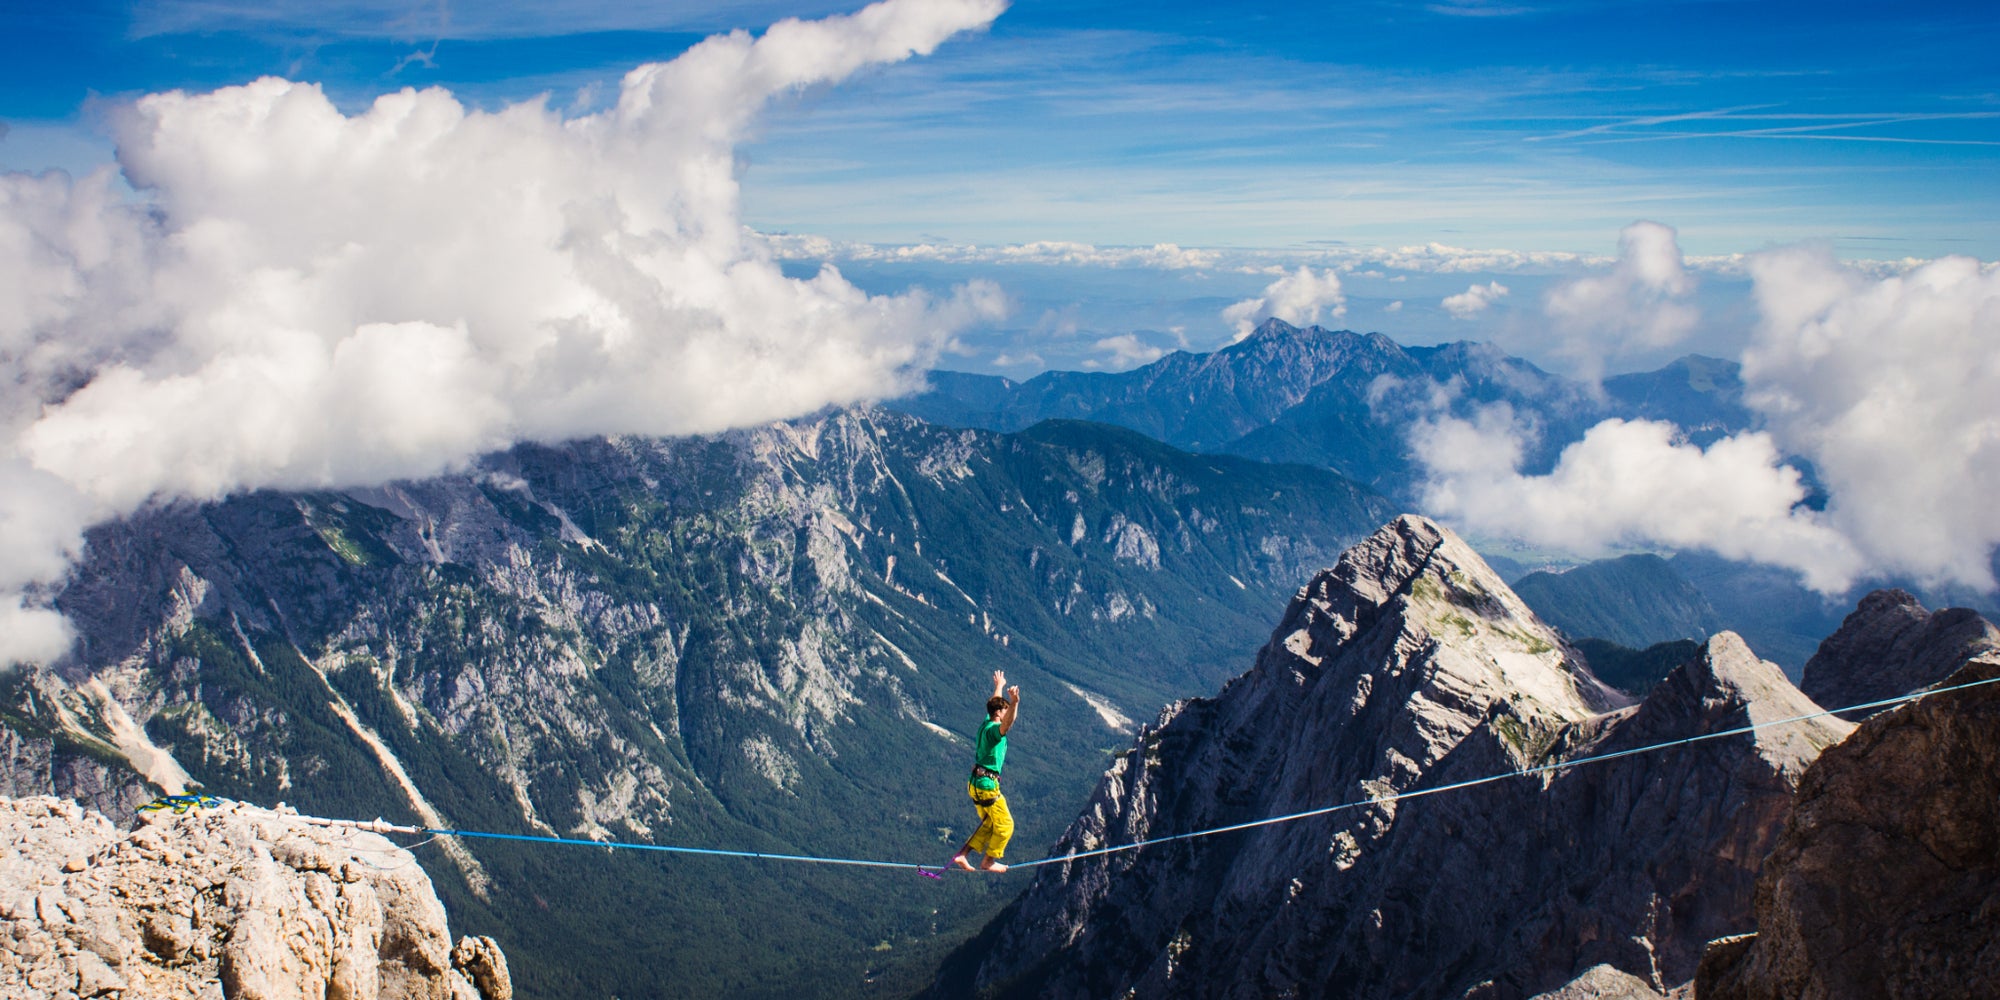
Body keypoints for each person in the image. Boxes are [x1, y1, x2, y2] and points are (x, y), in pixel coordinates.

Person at [952, 670, 1020, 873]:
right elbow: (1007, 724)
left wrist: (999, 685)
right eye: (1005, 710)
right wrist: (1014, 702)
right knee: (1006, 825)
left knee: (989, 823)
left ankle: (962, 854)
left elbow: (994, 703)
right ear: (999, 714)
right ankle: (988, 861)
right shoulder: (993, 732)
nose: (1007, 713)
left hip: (975, 784)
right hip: (987, 786)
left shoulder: (986, 722)